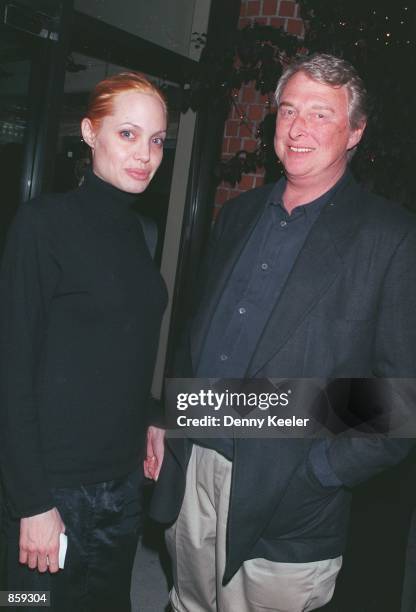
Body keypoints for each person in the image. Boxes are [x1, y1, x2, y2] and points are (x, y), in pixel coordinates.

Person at [149, 54, 416, 612]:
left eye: (321, 115)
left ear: (356, 132)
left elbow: (399, 398)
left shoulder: (390, 237)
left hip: (288, 499)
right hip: (193, 465)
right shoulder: (238, 214)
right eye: (289, 110)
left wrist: (316, 472)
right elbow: (198, 332)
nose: (298, 129)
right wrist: (169, 417)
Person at [0, 71, 167, 611]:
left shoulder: (142, 234)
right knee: (28, 604)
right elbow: (11, 366)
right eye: (128, 134)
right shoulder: (41, 225)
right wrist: (31, 502)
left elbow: (124, 349)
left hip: (120, 486)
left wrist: (151, 415)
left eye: (157, 140)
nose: (145, 153)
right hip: (53, 486)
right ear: (90, 131)